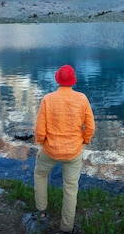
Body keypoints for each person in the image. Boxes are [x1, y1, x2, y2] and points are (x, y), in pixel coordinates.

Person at [33, 64, 95, 233]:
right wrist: (85, 140)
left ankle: (42, 213)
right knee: (70, 187)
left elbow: (39, 130)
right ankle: (66, 228)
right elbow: (90, 127)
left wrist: (41, 142)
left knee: (40, 174)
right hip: (74, 151)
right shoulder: (82, 99)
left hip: (50, 150)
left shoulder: (47, 99)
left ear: (57, 79)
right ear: (73, 81)